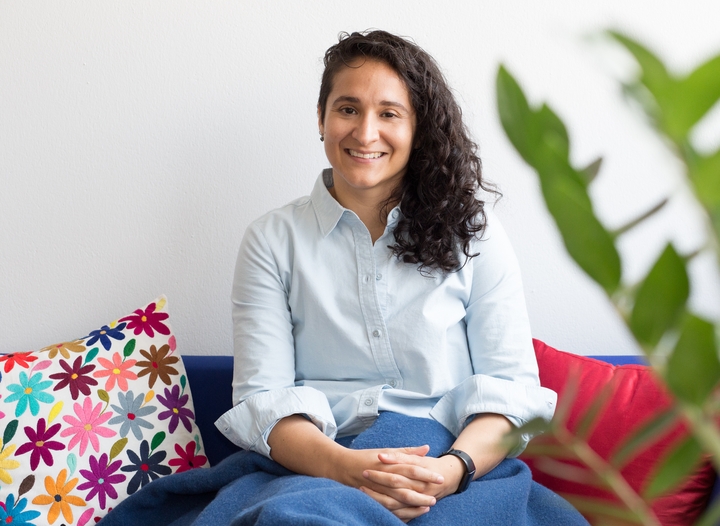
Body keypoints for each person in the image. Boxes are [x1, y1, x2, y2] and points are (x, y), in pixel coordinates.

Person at [214, 30, 573, 524]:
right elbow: (264, 401)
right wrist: (346, 468)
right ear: (321, 118)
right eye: (347, 109)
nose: (365, 134)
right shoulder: (271, 240)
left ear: (417, 128)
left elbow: (510, 391)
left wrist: (452, 470)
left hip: (452, 468)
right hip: (321, 466)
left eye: (389, 113)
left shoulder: (474, 233)